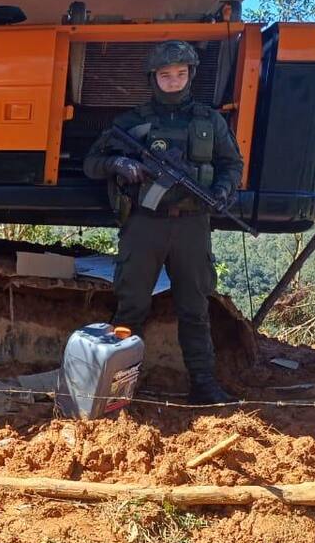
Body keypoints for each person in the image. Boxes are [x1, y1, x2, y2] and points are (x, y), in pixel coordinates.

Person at [84, 40, 243, 405]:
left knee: (195, 307)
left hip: (192, 225)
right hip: (144, 224)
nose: (173, 81)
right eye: (165, 75)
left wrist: (222, 188)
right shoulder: (132, 122)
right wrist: (119, 165)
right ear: (153, 78)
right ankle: (117, 392)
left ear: (191, 76)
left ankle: (204, 385)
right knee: (131, 307)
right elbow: (93, 163)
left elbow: (232, 164)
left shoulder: (209, 121)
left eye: (180, 74)